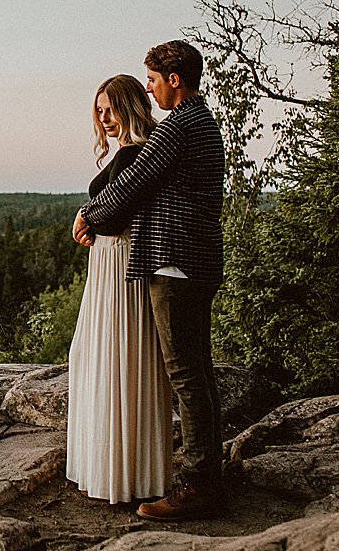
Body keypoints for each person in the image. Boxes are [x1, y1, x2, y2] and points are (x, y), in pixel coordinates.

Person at [72, 40, 226, 521]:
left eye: (154, 80)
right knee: (198, 372)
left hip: (175, 265)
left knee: (185, 374)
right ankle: (209, 478)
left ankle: (199, 487)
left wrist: (85, 217)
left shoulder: (178, 128)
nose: (151, 89)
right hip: (198, 261)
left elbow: (128, 192)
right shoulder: (206, 124)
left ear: (174, 80)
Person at [66, 74, 173, 504]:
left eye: (110, 109)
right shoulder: (142, 152)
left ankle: (120, 474)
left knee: (114, 357)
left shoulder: (136, 153)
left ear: (129, 105)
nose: (104, 119)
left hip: (120, 262)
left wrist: (85, 217)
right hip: (113, 260)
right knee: (109, 357)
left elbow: (113, 214)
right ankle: (123, 469)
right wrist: (87, 216)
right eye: (100, 112)